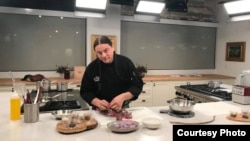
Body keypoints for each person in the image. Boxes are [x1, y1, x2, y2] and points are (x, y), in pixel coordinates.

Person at [80, 36, 144, 111]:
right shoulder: (92, 68)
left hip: (122, 108)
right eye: (99, 53)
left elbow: (137, 86)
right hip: (99, 109)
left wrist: (123, 97)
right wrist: (96, 102)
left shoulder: (125, 63)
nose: (103, 55)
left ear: (113, 47)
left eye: (106, 50)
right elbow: (85, 91)